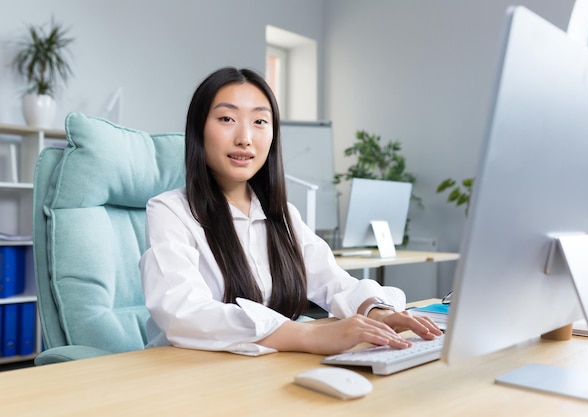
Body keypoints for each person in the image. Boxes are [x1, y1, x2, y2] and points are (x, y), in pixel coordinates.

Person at [140, 66, 442, 356]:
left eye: (260, 122)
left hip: (258, 369)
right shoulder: (170, 211)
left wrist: (375, 312)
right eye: (227, 118)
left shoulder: (282, 215)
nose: (245, 137)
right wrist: (306, 335)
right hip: (185, 372)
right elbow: (182, 312)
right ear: (198, 130)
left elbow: (330, 279)